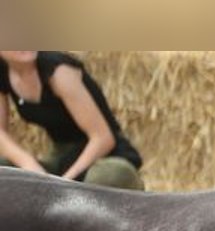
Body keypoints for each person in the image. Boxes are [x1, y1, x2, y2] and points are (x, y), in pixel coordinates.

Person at [0, 50, 143, 189]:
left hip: (103, 157)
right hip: (62, 159)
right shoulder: (2, 71)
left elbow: (103, 138)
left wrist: (63, 184)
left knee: (107, 176)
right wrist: (28, 164)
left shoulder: (59, 71)